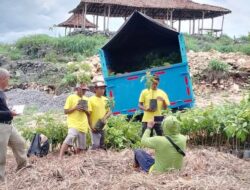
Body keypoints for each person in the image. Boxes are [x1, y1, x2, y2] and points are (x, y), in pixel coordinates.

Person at [0, 68, 28, 181]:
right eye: (8, 78)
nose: (9, 81)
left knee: (20, 143)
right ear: (1, 79)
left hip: (8, 125)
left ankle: (23, 167)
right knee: (1, 153)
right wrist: (9, 112)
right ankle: (1, 178)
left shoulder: (2, 92)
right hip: (1, 126)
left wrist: (9, 110)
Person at [59, 83, 91, 159]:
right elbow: (65, 111)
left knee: (82, 146)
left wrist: (85, 110)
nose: (84, 92)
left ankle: (77, 159)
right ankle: (60, 157)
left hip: (83, 124)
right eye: (83, 90)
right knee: (70, 137)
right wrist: (75, 108)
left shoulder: (86, 99)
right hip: (73, 123)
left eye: (85, 90)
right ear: (77, 89)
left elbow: (89, 113)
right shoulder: (71, 97)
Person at [89, 81, 111, 150]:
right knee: (95, 145)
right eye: (100, 88)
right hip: (94, 126)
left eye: (103, 88)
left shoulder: (106, 99)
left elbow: (109, 111)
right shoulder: (90, 100)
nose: (102, 90)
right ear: (95, 89)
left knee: (102, 145)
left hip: (102, 126)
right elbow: (88, 114)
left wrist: (104, 118)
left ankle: (100, 159)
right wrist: (91, 126)